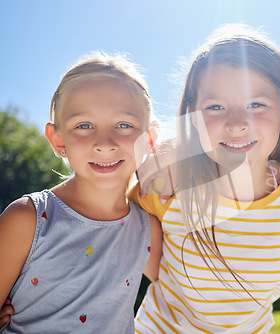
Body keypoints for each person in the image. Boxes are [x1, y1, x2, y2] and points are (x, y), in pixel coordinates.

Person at [130, 24, 280, 333]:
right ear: (192, 116)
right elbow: (114, 225)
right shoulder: (169, 183)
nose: (236, 123)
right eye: (215, 107)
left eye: (256, 105)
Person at [0, 52, 162, 333]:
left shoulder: (147, 228)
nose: (104, 143)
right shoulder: (28, 219)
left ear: (148, 140)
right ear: (57, 140)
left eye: (124, 125)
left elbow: (188, 288)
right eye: (84, 125)